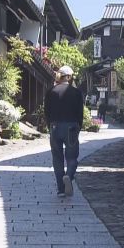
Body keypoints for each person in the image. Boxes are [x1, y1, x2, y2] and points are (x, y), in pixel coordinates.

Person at [44, 65, 84, 198]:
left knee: (57, 157)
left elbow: (47, 112)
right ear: (70, 77)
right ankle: (69, 175)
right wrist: (78, 127)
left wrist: (50, 126)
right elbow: (80, 113)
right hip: (71, 127)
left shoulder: (51, 91)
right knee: (72, 157)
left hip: (55, 127)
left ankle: (61, 189)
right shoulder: (76, 92)